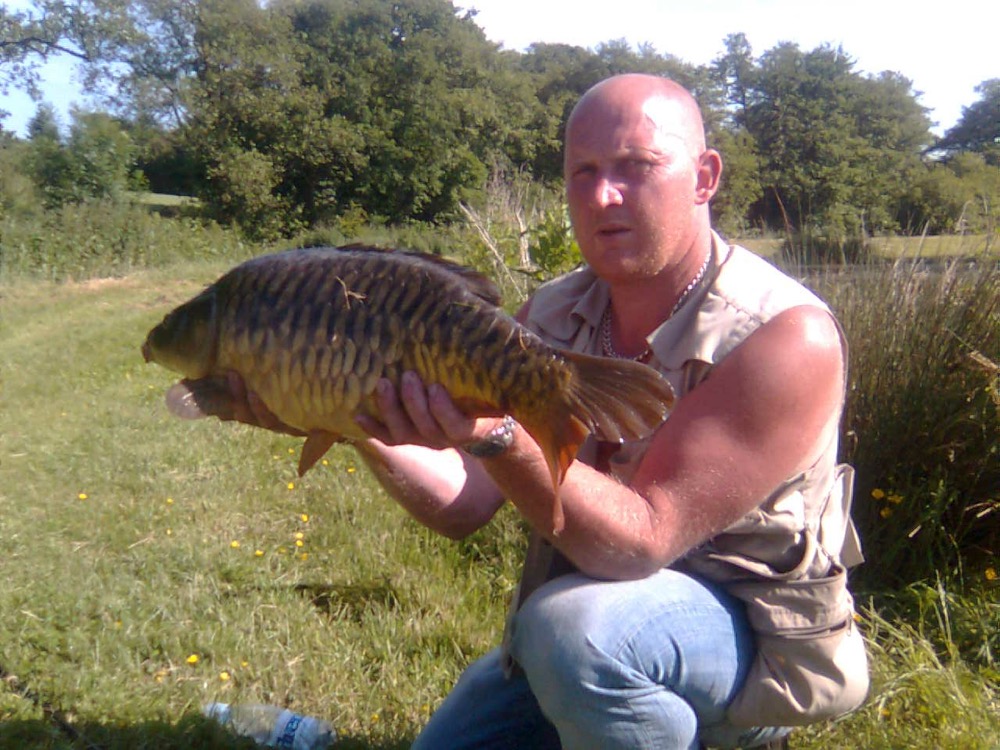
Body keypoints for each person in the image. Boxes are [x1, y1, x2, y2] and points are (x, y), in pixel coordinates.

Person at [224, 74, 869, 749]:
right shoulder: (555, 312)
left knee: (574, 634)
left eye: (636, 167)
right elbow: (464, 504)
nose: (602, 195)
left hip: (746, 642)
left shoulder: (786, 337)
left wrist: (499, 433)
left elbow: (643, 539)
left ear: (705, 176)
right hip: (582, 623)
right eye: (582, 172)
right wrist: (347, 414)